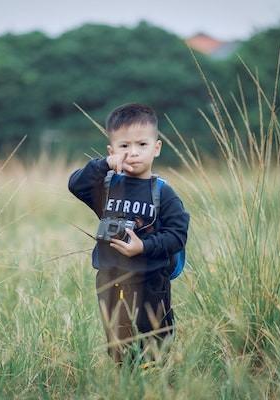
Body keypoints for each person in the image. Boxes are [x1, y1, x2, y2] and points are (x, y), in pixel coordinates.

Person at [68, 103, 190, 367]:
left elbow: (177, 236)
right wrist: (104, 165)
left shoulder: (163, 193)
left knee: (155, 345)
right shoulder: (107, 186)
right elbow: (75, 184)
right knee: (119, 347)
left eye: (142, 145)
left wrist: (143, 247)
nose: (133, 152)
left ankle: (156, 384)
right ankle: (126, 383)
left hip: (151, 282)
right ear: (112, 151)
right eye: (124, 146)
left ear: (156, 148)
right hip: (110, 280)